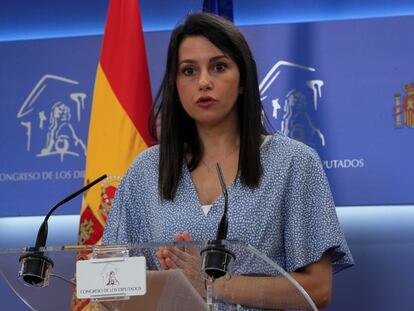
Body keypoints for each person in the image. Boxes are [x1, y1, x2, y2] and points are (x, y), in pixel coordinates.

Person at [102, 12, 353, 310]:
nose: (204, 82)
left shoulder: (293, 162)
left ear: (243, 80)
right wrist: (101, 279)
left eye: (219, 67)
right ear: (175, 85)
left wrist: (210, 285)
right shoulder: (146, 170)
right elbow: (112, 282)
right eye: (189, 71)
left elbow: (318, 289)